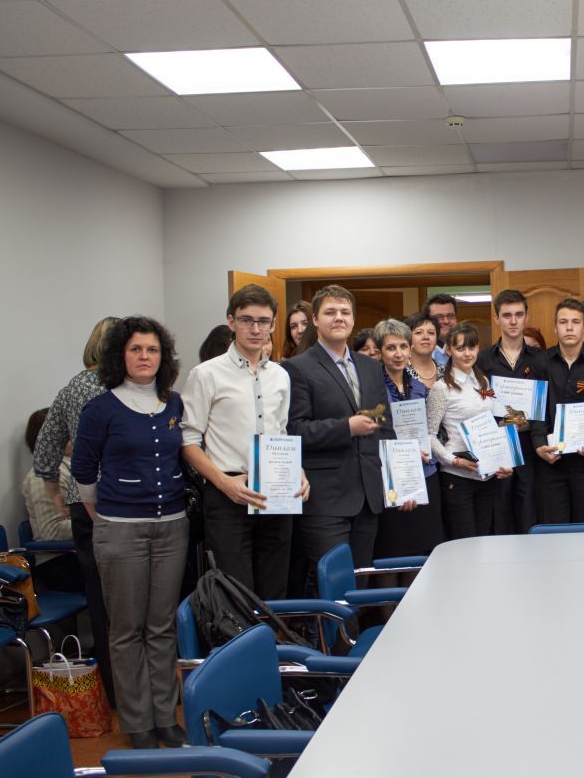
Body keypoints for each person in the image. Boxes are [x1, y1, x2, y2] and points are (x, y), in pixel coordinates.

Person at [71, 316, 189, 750]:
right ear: (120, 355)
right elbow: (84, 471)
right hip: (120, 531)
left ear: (163, 357)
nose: (144, 357)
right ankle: (138, 722)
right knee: (126, 630)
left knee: (161, 627)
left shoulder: (174, 404)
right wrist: (103, 514)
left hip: (172, 527)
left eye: (152, 350)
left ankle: (165, 717)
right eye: (136, 349)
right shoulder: (100, 409)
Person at [181, 284, 306, 601]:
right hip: (228, 493)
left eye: (263, 321)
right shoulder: (206, 374)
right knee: (237, 594)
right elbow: (188, 441)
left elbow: (281, 431)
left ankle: (274, 637)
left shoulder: (280, 375)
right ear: (231, 322)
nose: (255, 329)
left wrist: (299, 471)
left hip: (276, 492)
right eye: (247, 320)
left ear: (273, 325)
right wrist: (223, 483)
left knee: (275, 590)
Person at [283, 286, 403, 583]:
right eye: (330, 312)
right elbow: (295, 430)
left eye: (345, 312)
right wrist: (346, 427)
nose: (339, 317)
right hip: (326, 500)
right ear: (315, 319)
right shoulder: (297, 368)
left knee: (359, 585)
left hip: (369, 497)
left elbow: (385, 428)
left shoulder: (371, 367)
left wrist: (400, 481)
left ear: (353, 319)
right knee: (334, 586)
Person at [32, 315, 119, 707]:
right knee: (133, 599)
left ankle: (114, 690)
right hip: (122, 501)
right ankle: (143, 687)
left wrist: (54, 488)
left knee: (99, 596)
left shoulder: (71, 387)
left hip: (82, 503)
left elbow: (45, 447)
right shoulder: (122, 386)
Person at [530, 299, 584, 524]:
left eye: (575, 322)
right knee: (553, 532)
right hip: (551, 462)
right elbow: (536, 410)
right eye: (563, 322)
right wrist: (539, 445)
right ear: (555, 327)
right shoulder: (539, 363)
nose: (569, 327)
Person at [426, 322, 512, 538]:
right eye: (460, 348)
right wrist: (453, 461)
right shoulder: (441, 387)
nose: (467, 353)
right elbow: (429, 435)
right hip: (458, 475)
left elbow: (490, 424)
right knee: (464, 542)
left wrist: (503, 461)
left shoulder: (483, 381)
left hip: (486, 475)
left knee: (483, 540)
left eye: (471, 347)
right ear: (449, 350)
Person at [374, 319, 443, 560]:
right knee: (392, 555)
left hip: (425, 475)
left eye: (403, 346)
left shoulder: (419, 387)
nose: (398, 354)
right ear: (380, 352)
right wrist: (400, 484)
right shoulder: (373, 388)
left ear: (410, 349)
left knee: (425, 554)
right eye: (391, 348)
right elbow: (373, 436)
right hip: (390, 478)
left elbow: (429, 431)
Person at [476, 290, 539, 534]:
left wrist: (530, 424)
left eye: (519, 315)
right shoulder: (482, 360)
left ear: (526, 317)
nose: (513, 321)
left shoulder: (539, 359)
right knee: (499, 517)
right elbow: (476, 406)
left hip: (530, 448)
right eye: (507, 315)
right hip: (496, 448)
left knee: (528, 517)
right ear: (497, 319)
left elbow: (547, 406)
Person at [21, 409, 84, 593]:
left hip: (81, 551)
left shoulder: (77, 467)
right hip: (61, 561)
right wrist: (99, 523)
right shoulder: (41, 478)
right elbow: (52, 531)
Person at [405, 312, 444, 391]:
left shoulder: (445, 372)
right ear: (408, 338)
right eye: (419, 332)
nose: (426, 337)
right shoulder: (401, 372)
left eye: (431, 333)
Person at [423, 293, 458, 367]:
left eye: (450, 316)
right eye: (438, 317)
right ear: (427, 320)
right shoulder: (417, 355)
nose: (446, 321)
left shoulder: (467, 351)